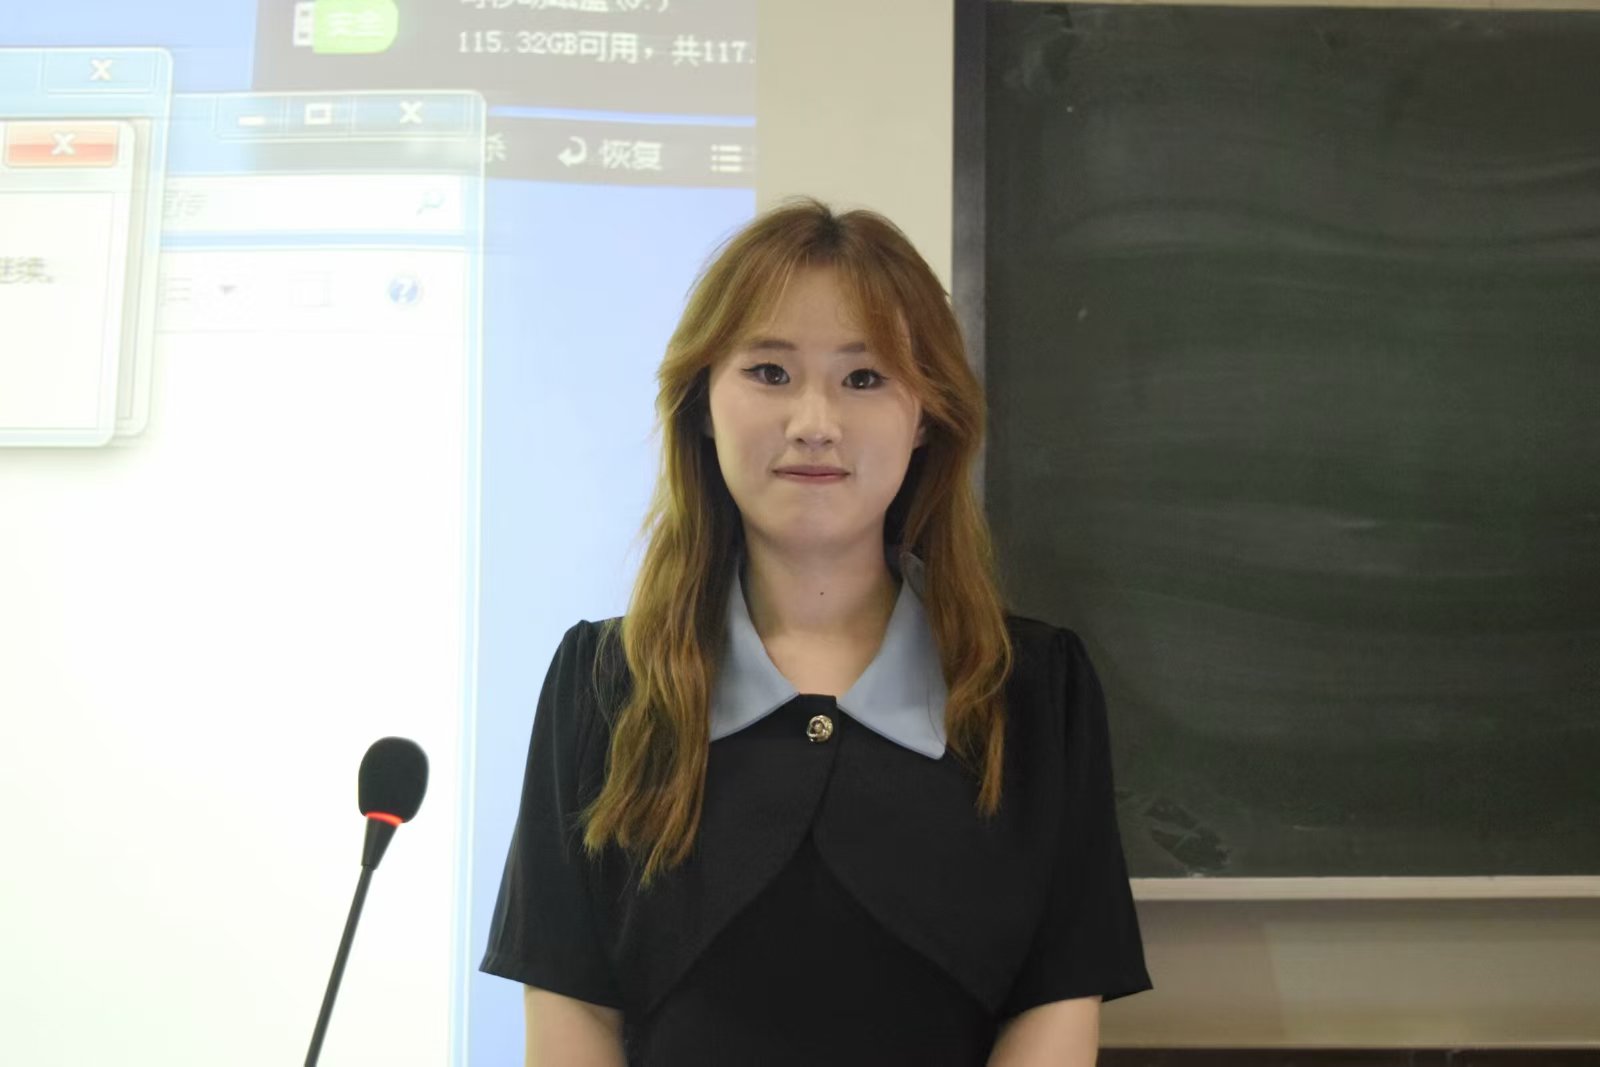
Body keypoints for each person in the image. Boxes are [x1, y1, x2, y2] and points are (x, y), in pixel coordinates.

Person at [481, 197, 1152, 1066]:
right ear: (701, 402)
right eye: (770, 371)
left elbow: (1053, 1010)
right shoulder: (604, 681)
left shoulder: (1034, 690)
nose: (814, 423)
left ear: (927, 416)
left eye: (863, 379)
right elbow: (571, 1010)